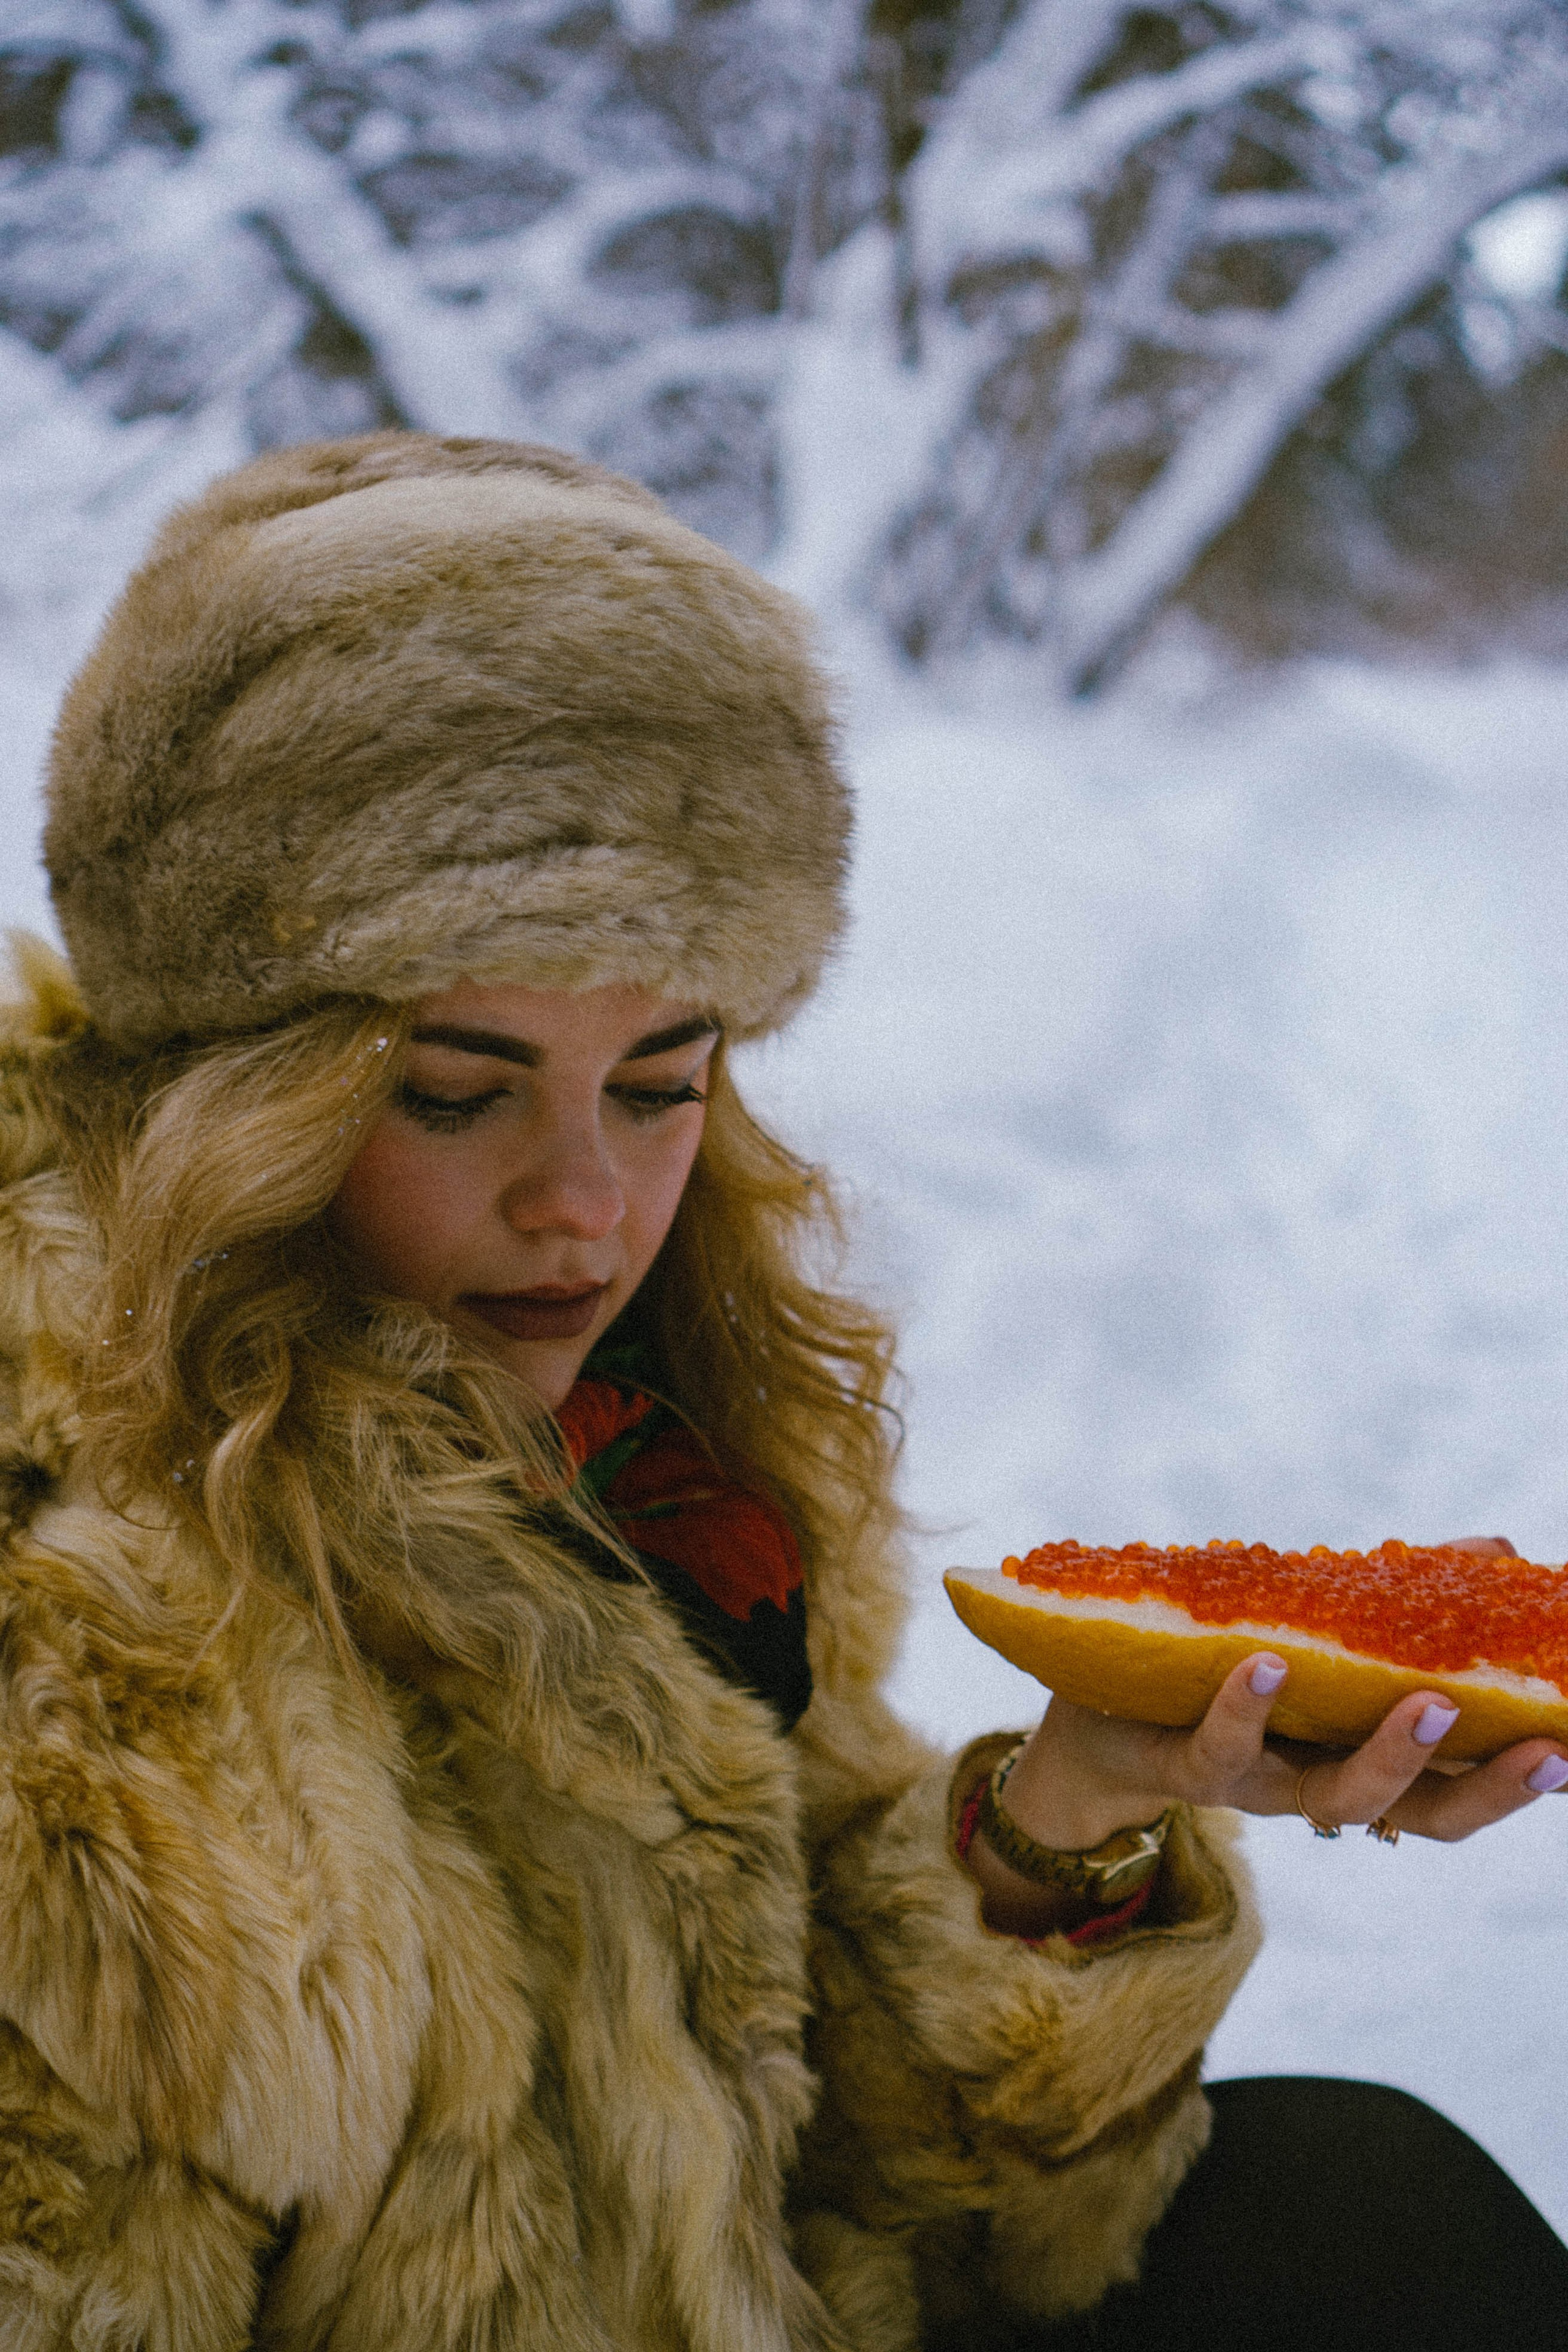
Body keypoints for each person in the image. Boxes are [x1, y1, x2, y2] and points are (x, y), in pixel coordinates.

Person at [0, 429, 1562, 2351]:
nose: (587, 1205)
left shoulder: (651, 1461)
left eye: (661, 1084)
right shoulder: (71, 1651)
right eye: (456, 1091)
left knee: (1367, 2197)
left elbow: (814, 2165)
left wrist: (1065, 1827)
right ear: (232, 1097)